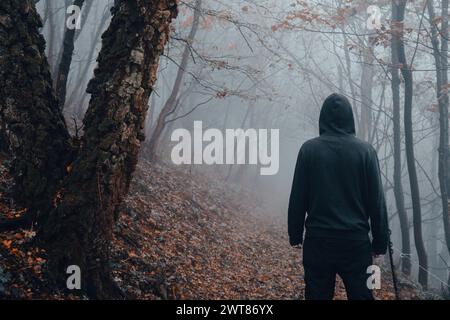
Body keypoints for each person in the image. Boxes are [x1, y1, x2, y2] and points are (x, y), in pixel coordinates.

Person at [288, 93, 388, 300]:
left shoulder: (309, 150)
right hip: (356, 244)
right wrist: (380, 242)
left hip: (318, 242)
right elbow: (376, 201)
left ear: (323, 118)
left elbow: (298, 196)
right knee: (363, 296)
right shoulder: (366, 152)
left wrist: (295, 234)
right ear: (350, 118)